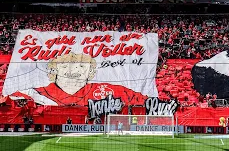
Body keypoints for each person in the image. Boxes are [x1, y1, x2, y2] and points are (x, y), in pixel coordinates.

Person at [15, 53, 147, 106]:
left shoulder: (111, 89)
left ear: (90, 72)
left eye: (81, 66)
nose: (74, 70)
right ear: (53, 70)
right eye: (65, 66)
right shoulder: (36, 92)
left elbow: (144, 100)